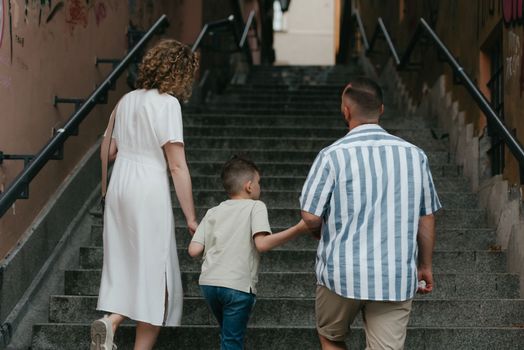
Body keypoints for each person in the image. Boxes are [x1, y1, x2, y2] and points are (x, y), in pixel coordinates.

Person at [300, 77, 442, 350]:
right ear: (382, 109)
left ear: (346, 111)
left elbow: (310, 216)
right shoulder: (414, 155)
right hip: (395, 275)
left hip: (340, 272)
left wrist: (320, 232)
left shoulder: (332, 155)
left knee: (331, 336)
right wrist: (424, 266)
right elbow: (426, 215)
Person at [90, 39, 199, 350]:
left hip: (120, 185)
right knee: (156, 275)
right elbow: (177, 166)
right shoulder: (167, 104)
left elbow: (106, 153)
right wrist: (190, 217)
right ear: (180, 74)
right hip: (147, 186)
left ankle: (111, 321)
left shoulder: (126, 101)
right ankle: (112, 323)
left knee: (128, 266)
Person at [188, 155, 310, 350]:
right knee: (232, 341)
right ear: (249, 186)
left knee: (228, 335)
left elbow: (194, 250)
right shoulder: (256, 206)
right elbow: (261, 244)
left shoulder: (212, 211)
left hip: (210, 284)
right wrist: (298, 229)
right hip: (237, 286)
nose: (260, 187)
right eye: (259, 182)